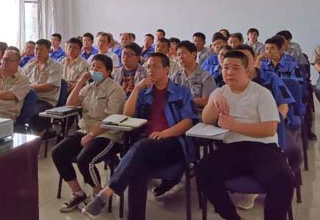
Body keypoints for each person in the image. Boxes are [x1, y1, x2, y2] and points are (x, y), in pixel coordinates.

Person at [83, 53, 197, 219]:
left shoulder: (181, 92)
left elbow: (188, 121)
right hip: (146, 146)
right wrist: (136, 88)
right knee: (138, 167)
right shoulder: (145, 93)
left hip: (173, 143)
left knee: (140, 148)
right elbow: (127, 114)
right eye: (148, 66)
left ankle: (108, 191)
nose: (150, 70)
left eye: (155, 66)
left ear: (166, 69)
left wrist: (164, 133)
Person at [196, 50, 295, 220]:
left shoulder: (261, 93)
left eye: (235, 68)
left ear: (247, 71)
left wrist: (234, 125)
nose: (229, 72)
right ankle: (232, 217)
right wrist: (213, 102)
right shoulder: (220, 92)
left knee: (284, 179)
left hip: (263, 147)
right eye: (225, 67)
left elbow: (269, 129)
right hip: (233, 148)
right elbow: (206, 119)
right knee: (203, 171)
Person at [51, 54, 126, 212]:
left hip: (107, 134)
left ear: (108, 71)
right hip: (85, 130)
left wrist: (92, 135)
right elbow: (70, 104)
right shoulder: (88, 87)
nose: (94, 70)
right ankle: (78, 193)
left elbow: (111, 120)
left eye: (99, 67)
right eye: (92, 66)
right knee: (58, 152)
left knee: (84, 159)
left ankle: (99, 196)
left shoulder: (115, 89)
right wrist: (80, 82)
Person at [235, 44, 299, 210]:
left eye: (246, 58)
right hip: (241, 127)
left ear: (254, 59)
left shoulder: (270, 78)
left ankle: (272, 183)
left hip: (272, 125)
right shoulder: (230, 80)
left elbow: (283, 105)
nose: (242, 63)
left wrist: (273, 122)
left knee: (291, 152)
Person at [23, 39, 63, 133]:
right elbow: (22, 78)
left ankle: (41, 134)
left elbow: (49, 86)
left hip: (45, 100)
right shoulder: (31, 63)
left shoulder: (56, 66)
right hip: (28, 97)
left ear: (48, 50)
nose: (38, 52)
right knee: (12, 108)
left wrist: (28, 87)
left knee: (35, 113)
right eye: (36, 49)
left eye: (41, 50)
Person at [173, 40, 216, 108]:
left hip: (197, 112)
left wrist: (185, 101)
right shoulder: (176, 76)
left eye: (183, 53)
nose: (180, 57)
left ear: (194, 54)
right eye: (178, 55)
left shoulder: (206, 76)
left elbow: (207, 101)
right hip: (177, 112)